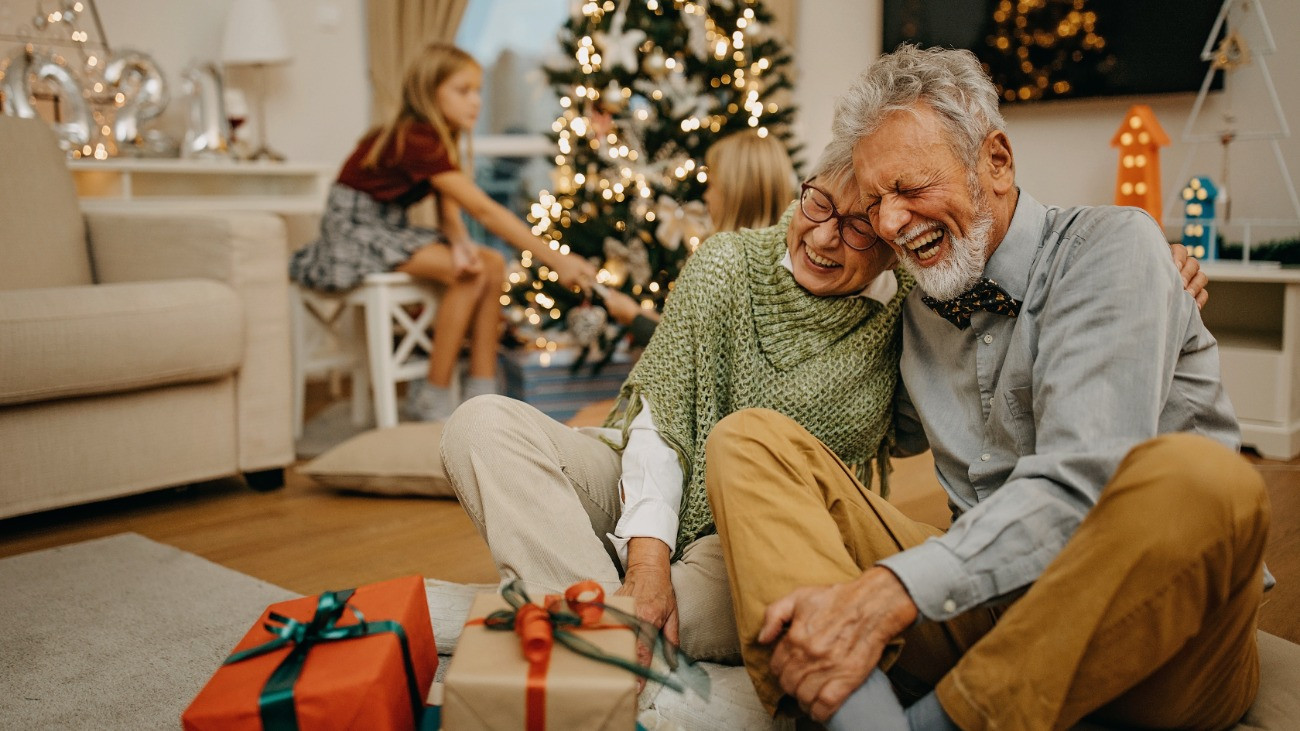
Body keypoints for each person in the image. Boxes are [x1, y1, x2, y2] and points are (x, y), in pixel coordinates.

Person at [704, 44, 1265, 730]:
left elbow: (1082, 483)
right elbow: (850, 412)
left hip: (1148, 627)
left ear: (994, 161)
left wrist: (892, 590)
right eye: (875, 201)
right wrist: (757, 285)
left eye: (908, 189)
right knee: (751, 439)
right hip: (984, 607)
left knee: (1207, 481)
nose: (888, 223)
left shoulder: (1115, 247)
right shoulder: (916, 300)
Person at [441, 146, 906, 666]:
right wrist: (647, 563)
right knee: (481, 424)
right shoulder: (727, 262)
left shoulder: (908, 315)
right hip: (636, 486)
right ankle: (604, 641)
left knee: (759, 609)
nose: (822, 236)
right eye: (817, 202)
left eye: (858, 227)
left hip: (751, 543)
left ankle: (488, 618)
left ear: (894, 240)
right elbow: (660, 422)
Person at [290, 43, 598, 422]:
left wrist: (460, 243)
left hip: (387, 227)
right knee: (469, 273)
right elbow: (483, 210)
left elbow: (448, 210)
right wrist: (555, 259)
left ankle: (482, 391)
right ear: (428, 92)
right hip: (354, 232)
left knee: (489, 262)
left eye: (479, 90)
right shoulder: (415, 138)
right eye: (463, 90)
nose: (476, 102)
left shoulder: (438, 137)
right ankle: (433, 395)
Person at [600, 129, 798, 347]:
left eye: (712, 185)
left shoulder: (727, 267)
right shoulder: (787, 259)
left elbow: (691, 352)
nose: (705, 196)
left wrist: (634, 318)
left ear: (736, 194)